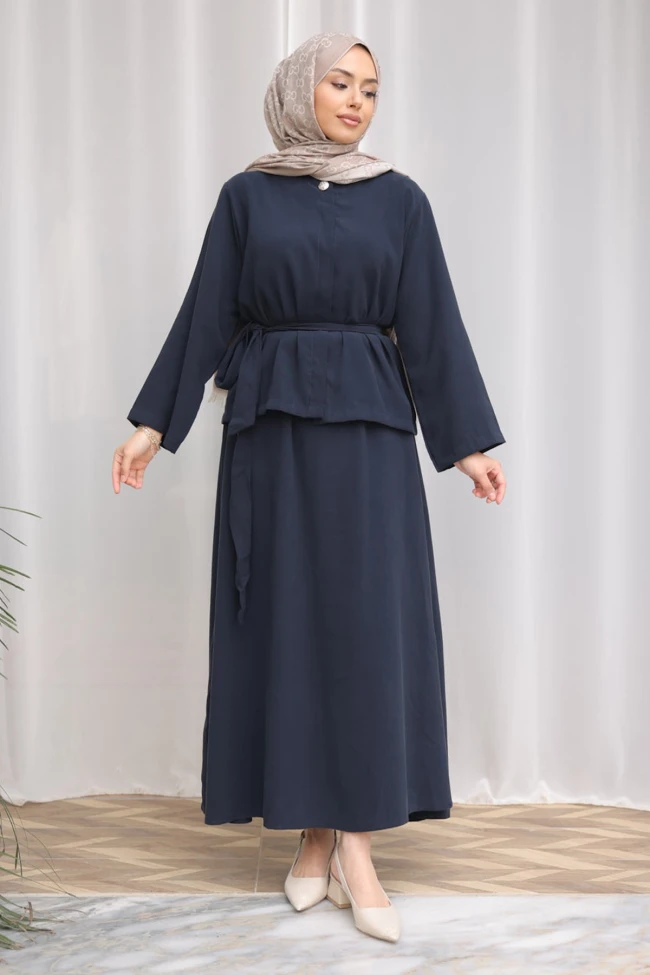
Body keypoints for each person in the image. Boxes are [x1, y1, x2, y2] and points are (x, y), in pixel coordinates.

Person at [112, 31, 507, 944]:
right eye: (340, 83)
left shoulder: (401, 200)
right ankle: (314, 834)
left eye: (371, 88)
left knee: (363, 631)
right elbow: (207, 314)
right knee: (289, 627)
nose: (358, 101)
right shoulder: (247, 197)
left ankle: (353, 845)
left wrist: (469, 446)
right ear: (300, 90)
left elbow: (432, 325)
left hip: (369, 441)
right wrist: (152, 425)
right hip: (274, 435)